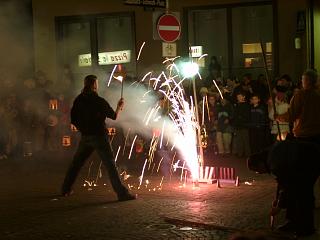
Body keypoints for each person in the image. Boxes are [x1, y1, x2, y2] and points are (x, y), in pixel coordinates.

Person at [61, 75, 135, 201]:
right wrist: (119, 106)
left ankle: (65, 189)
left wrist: (83, 129)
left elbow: (73, 119)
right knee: (110, 165)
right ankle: (122, 194)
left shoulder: (78, 100)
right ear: (94, 85)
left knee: (76, 164)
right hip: (100, 137)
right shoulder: (99, 101)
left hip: (86, 137)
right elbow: (114, 116)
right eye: (97, 83)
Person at [247, 139, 320, 237]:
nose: (260, 173)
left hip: (310, 160)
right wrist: (277, 199)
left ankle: (306, 229)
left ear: (260, 163)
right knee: (294, 192)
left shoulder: (275, 162)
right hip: (301, 160)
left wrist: (279, 207)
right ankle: (293, 222)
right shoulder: (269, 156)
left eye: (257, 171)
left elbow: (287, 186)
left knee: (303, 195)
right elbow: (281, 182)